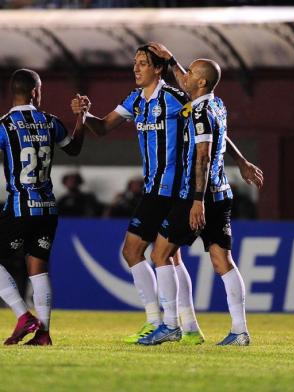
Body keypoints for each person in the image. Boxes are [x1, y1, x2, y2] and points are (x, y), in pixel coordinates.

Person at [71, 45, 205, 345]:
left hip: (168, 189)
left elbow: (203, 110)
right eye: (135, 63)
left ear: (158, 69)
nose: (136, 68)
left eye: (143, 63)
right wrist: (84, 114)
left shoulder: (173, 98)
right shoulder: (135, 100)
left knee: (132, 251)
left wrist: (174, 60)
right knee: (171, 257)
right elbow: (103, 127)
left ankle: (158, 322)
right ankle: (190, 327)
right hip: (155, 187)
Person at [139, 45, 262, 346]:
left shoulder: (198, 113)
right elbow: (219, 138)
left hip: (197, 196)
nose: (185, 76)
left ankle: (169, 325)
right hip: (221, 192)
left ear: (201, 83)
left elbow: (203, 158)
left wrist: (196, 200)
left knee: (160, 254)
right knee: (222, 261)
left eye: (191, 73)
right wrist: (171, 61)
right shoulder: (216, 105)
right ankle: (240, 331)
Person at [0, 68, 86, 345]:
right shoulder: (51, 122)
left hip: (20, 207)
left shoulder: (5, 126)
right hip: (48, 208)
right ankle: (44, 333)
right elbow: (73, 149)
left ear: (12, 92)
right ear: (36, 92)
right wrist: (81, 118)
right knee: (38, 268)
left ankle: (23, 315)